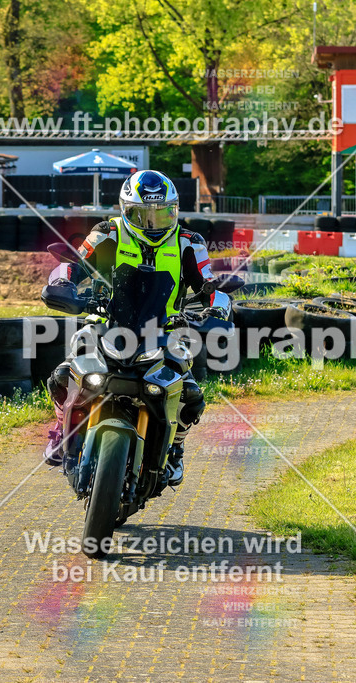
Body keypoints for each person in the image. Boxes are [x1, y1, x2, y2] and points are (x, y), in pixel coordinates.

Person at [42, 170, 232, 487]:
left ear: (175, 210)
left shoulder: (189, 242)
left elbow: (208, 283)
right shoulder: (107, 232)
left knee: (191, 395)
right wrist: (63, 282)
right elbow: (76, 263)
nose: (152, 222)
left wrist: (217, 306)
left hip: (168, 331)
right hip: (107, 323)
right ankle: (61, 430)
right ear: (126, 210)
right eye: (143, 214)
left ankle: (174, 451)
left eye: (162, 213)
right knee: (63, 375)